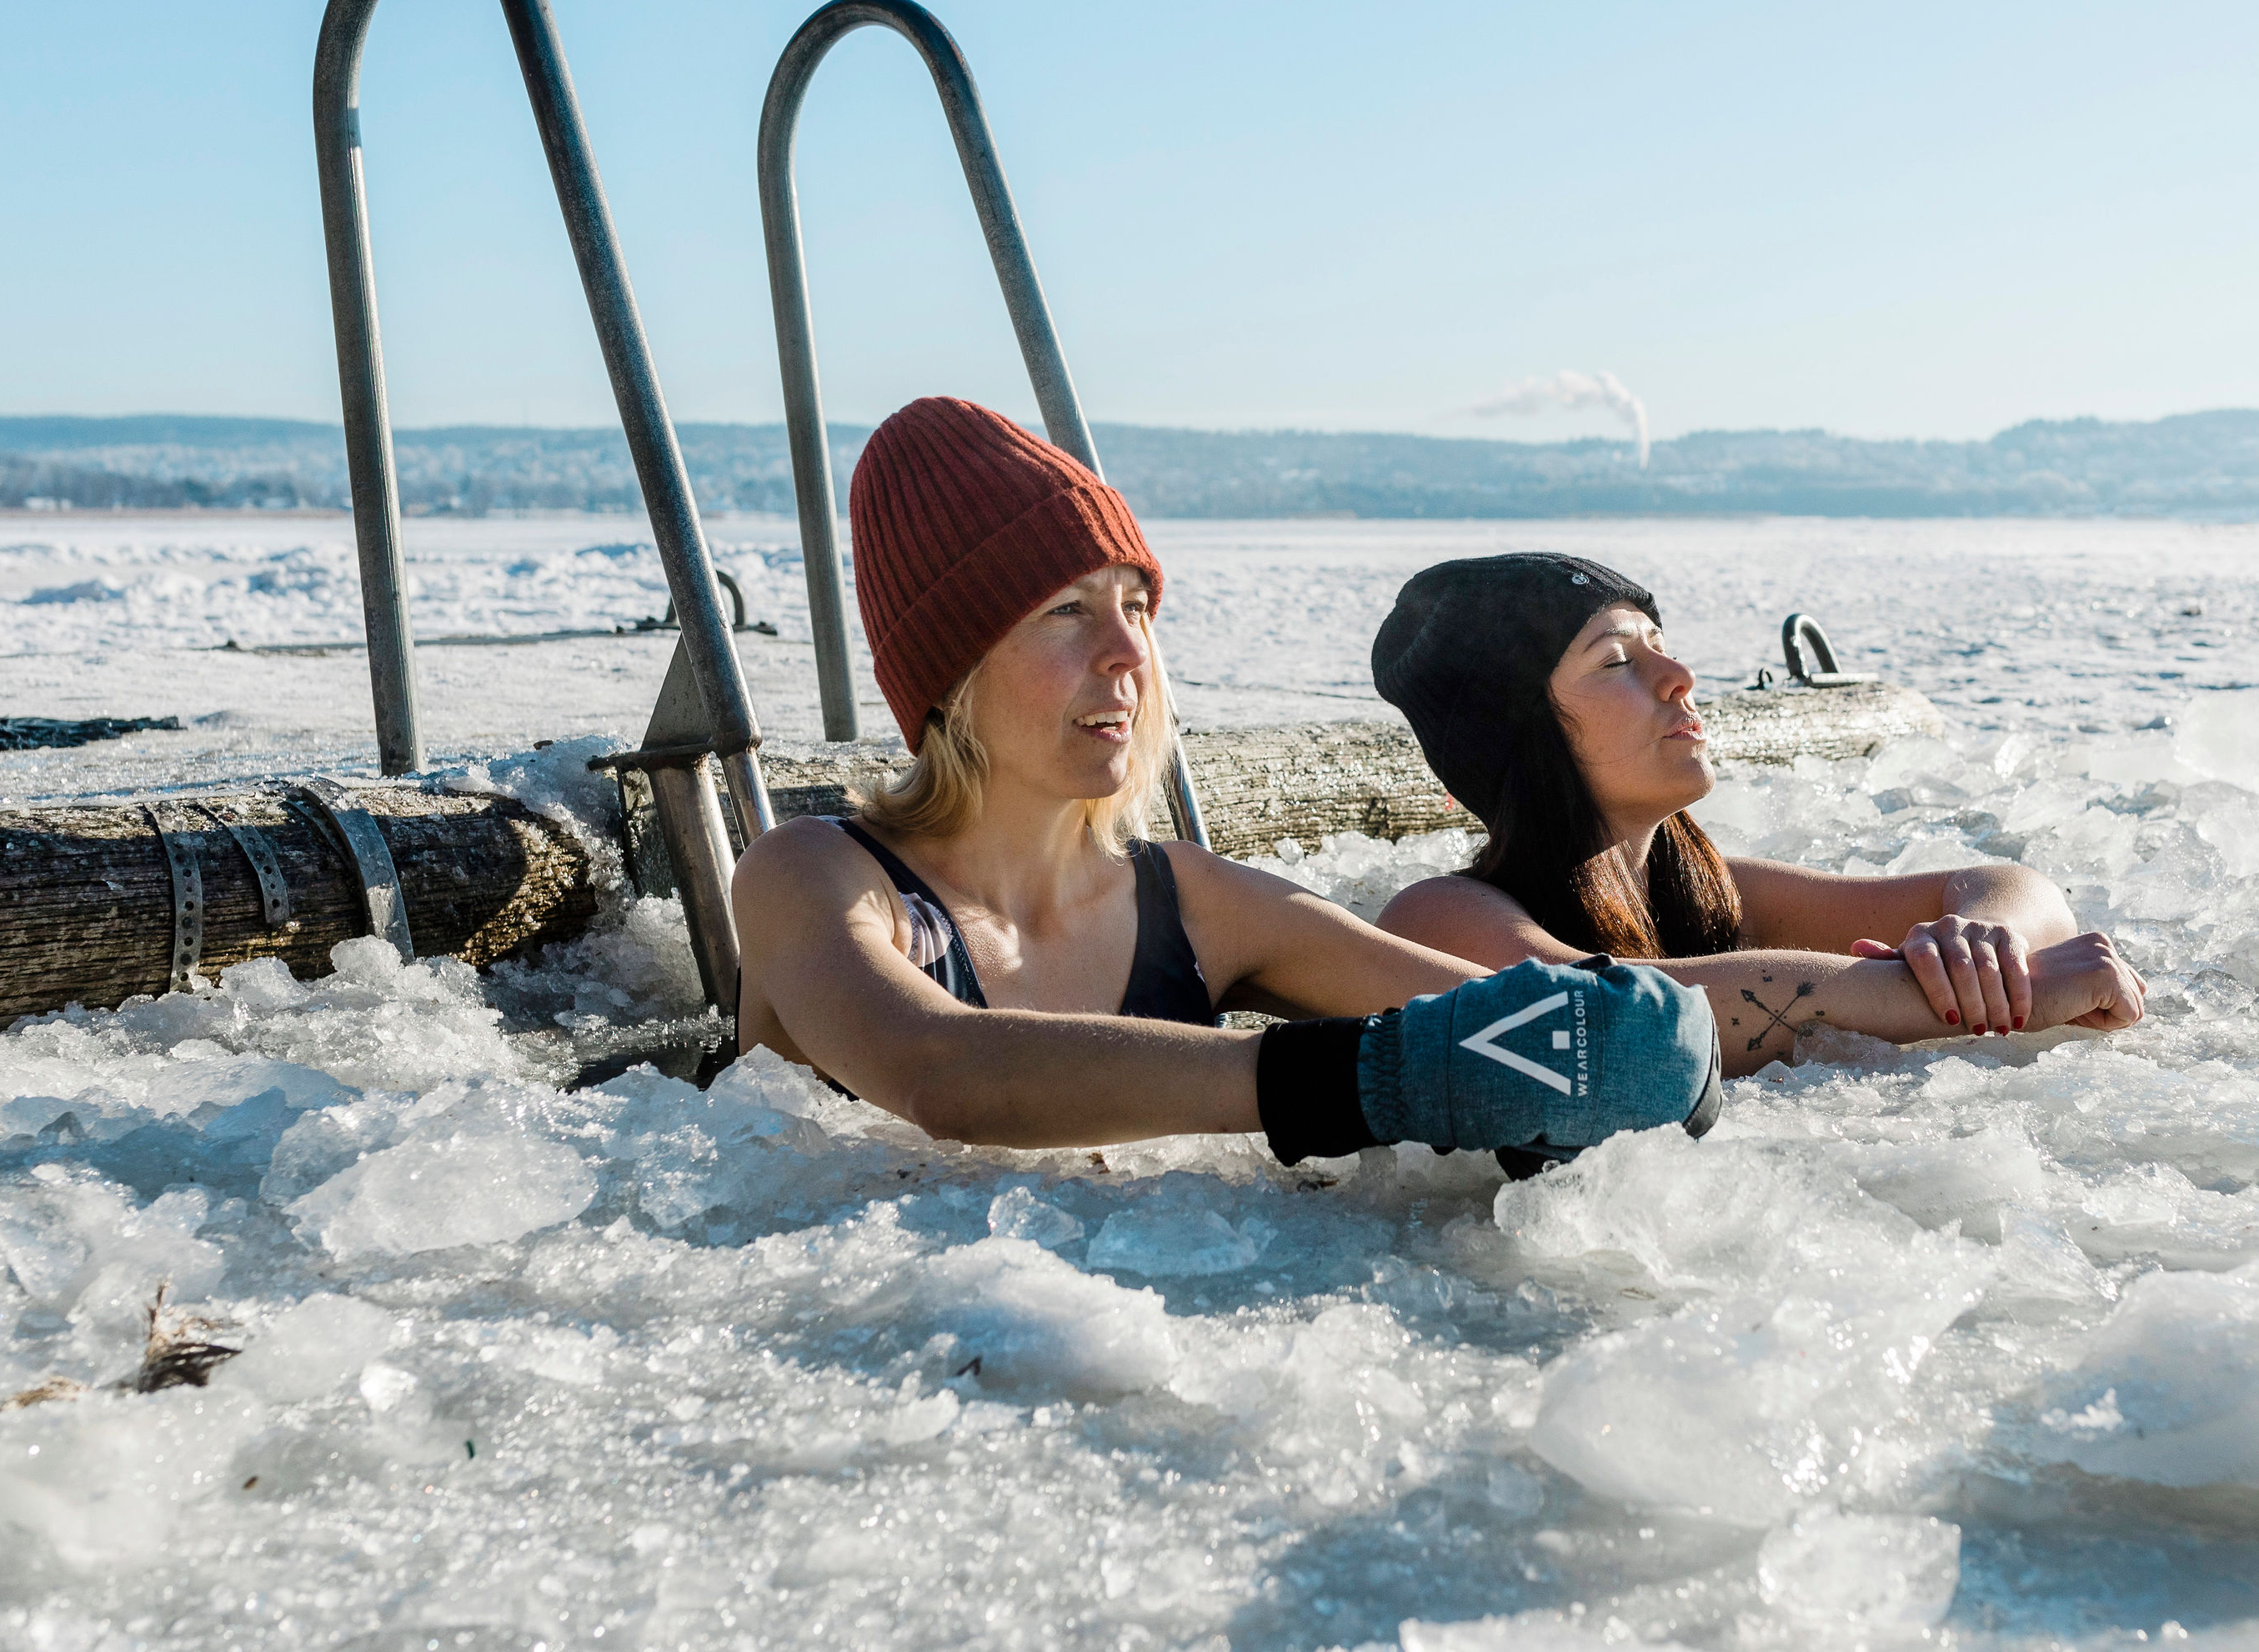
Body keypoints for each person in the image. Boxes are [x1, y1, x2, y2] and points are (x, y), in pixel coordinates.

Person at [733, 400, 1739, 1166]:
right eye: (1065, 612)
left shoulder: (1194, 902)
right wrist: (1364, 1083)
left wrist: (1634, 1037)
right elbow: (939, 1071)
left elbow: (1493, 1017)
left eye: (1137, 605)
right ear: (950, 669)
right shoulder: (812, 878)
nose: (1131, 651)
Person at [1370, 553, 2146, 1069]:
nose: (1680, 676)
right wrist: (2008, 999)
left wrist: (1987, 956)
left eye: (1661, 645)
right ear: (1519, 734)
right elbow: (1620, 1022)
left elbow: (2021, 888)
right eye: (1617, 662)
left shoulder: (1717, 899)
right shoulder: (1441, 918)